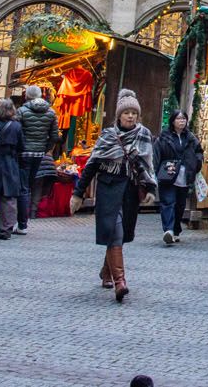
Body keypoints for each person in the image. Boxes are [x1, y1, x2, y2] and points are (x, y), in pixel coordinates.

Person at [73, 89, 157, 302]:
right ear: (119, 115)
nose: (130, 116)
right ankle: (120, 282)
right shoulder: (107, 136)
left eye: (134, 113)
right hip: (108, 189)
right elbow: (92, 164)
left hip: (129, 191)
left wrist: (150, 189)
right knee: (114, 231)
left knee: (121, 233)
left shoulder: (144, 135)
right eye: (126, 112)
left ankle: (106, 270)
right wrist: (78, 194)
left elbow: (148, 165)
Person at [155, 110, 203, 245]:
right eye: (179, 118)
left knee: (180, 204)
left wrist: (196, 164)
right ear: (172, 121)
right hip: (168, 173)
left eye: (184, 119)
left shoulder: (191, 137)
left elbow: (199, 151)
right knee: (168, 202)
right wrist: (157, 171)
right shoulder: (164, 137)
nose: (182, 121)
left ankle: (176, 230)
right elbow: (157, 154)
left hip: (184, 174)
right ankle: (168, 230)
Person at [18, 85, 60, 230]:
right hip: (39, 154)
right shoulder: (51, 112)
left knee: (23, 187)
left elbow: (17, 132)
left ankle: (21, 222)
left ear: (27, 96)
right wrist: (45, 148)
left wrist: (21, 147)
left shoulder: (22, 111)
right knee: (31, 184)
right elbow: (55, 136)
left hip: (23, 154)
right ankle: (29, 215)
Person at [0, 99, 24, 240]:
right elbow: (22, 146)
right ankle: (6, 229)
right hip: (10, 163)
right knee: (8, 197)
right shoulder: (16, 126)